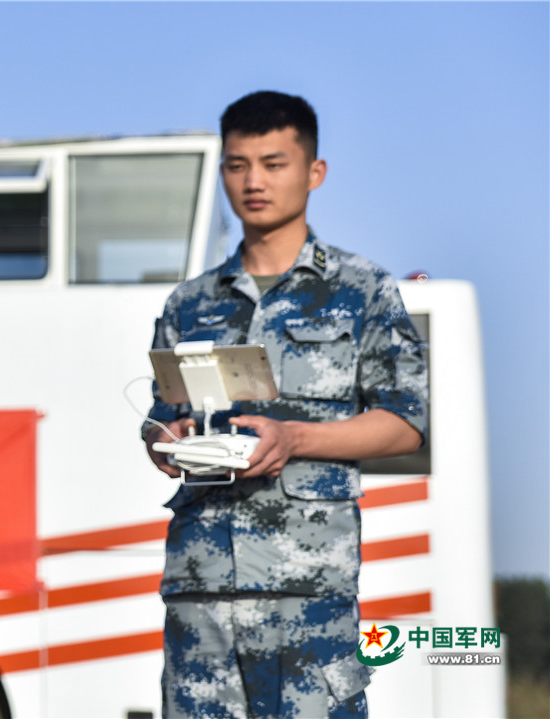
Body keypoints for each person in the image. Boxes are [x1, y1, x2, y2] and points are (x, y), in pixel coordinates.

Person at [142, 91, 429, 718]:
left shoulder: (363, 290)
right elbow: (165, 413)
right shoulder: (189, 303)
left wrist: (295, 439)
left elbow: (406, 423)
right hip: (201, 589)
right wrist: (164, 439)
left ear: (313, 172)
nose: (254, 182)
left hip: (308, 592)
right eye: (238, 165)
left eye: (273, 164)